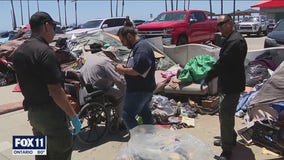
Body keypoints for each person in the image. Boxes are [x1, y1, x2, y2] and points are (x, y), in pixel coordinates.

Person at [12, 11, 81, 160]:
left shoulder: (19, 52)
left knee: (41, 155)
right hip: (52, 116)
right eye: (54, 27)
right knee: (60, 154)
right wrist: (73, 116)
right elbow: (55, 90)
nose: (55, 32)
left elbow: (30, 82)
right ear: (46, 26)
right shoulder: (45, 52)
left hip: (33, 115)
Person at [201, 14, 247, 160]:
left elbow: (223, 64)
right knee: (224, 114)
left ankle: (227, 151)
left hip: (231, 86)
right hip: (228, 84)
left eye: (222, 24)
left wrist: (208, 77)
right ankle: (229, 137)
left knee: (226, 117)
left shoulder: (236, 41)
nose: (219, 27)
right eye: (218, 25)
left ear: (231, 23)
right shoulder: (231, 38)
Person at [115, 26, 156, 130]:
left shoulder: (141, 48)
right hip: (144, 89)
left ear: (129, 36)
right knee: (144, 112)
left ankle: (138, 138)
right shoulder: (139, 47)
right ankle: (150, 136)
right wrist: (126, 68)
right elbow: (137, 67)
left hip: (139, 90)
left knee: (126, 114)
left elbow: (138, 70)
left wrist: (122, 70)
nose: (122, 44)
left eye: (123, 40)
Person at [79, 46, 126, 131]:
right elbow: (118, 80)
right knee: (121, 94)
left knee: (111, 93)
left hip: (88, 90)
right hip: (99, 91)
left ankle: (108, 116)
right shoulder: (105, 62)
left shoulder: (92, 57)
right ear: (111, 55)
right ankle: (119, 121)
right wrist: (125, 89)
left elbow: (80, 73)